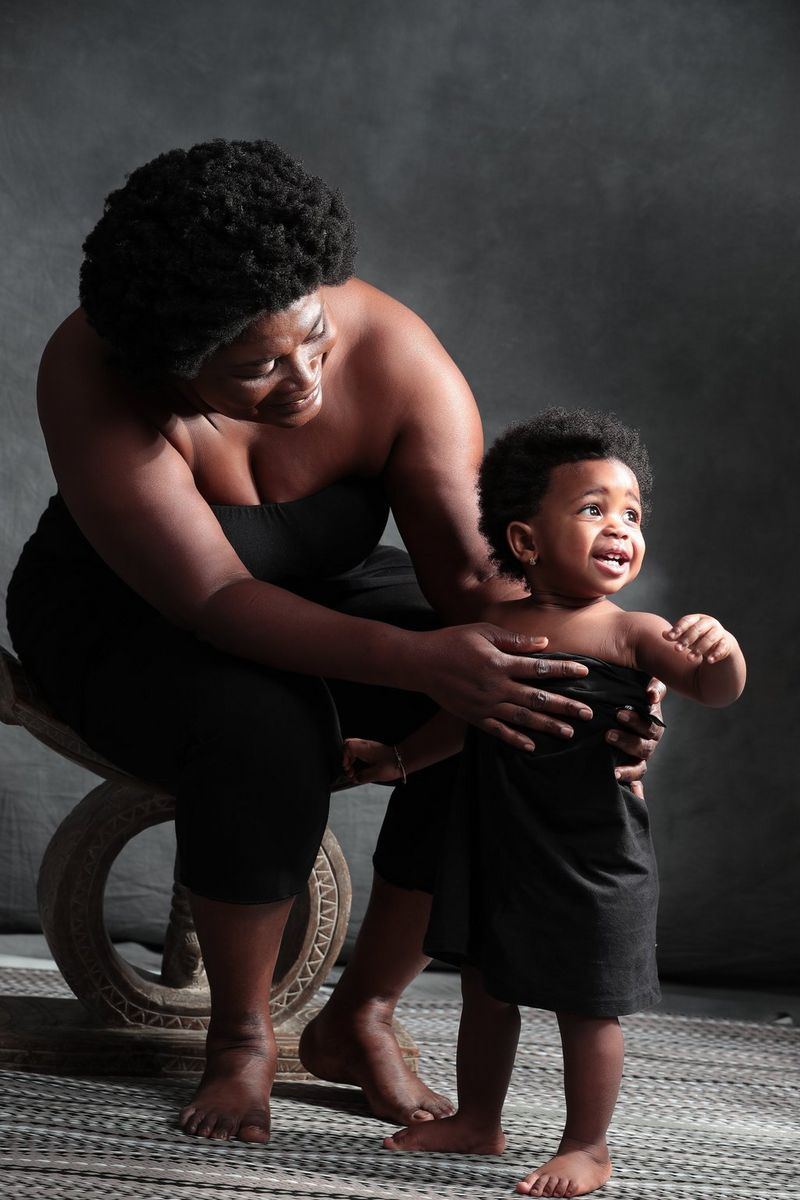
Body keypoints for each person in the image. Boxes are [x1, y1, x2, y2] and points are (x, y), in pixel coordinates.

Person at [5, 140, 664, 1145]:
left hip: (316, 586)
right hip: (125, 612)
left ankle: (360, 1015)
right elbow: (216, 597)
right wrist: (412, 660)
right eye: (257, 367)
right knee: (260, 721)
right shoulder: (94, 371)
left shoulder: (395, 355)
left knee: (517, 686)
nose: (303, 377)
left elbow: (476, 584)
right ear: (170, 363)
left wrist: (608, 692)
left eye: (309, 336)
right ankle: (241, 1040)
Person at [342, 408, 745, 1197]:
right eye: (594, 509)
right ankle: (479, 1122)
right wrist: (397, 759)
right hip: (500, 848)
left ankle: (588, 1146)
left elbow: (712, 688)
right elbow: (463, 719)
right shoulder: (494, 626)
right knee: (485, 989)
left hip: (594, 859)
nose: (620, 527)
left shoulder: (634, 632)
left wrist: (721, 652)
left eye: (631, 513)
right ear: (525, 542)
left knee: (586, 1008)